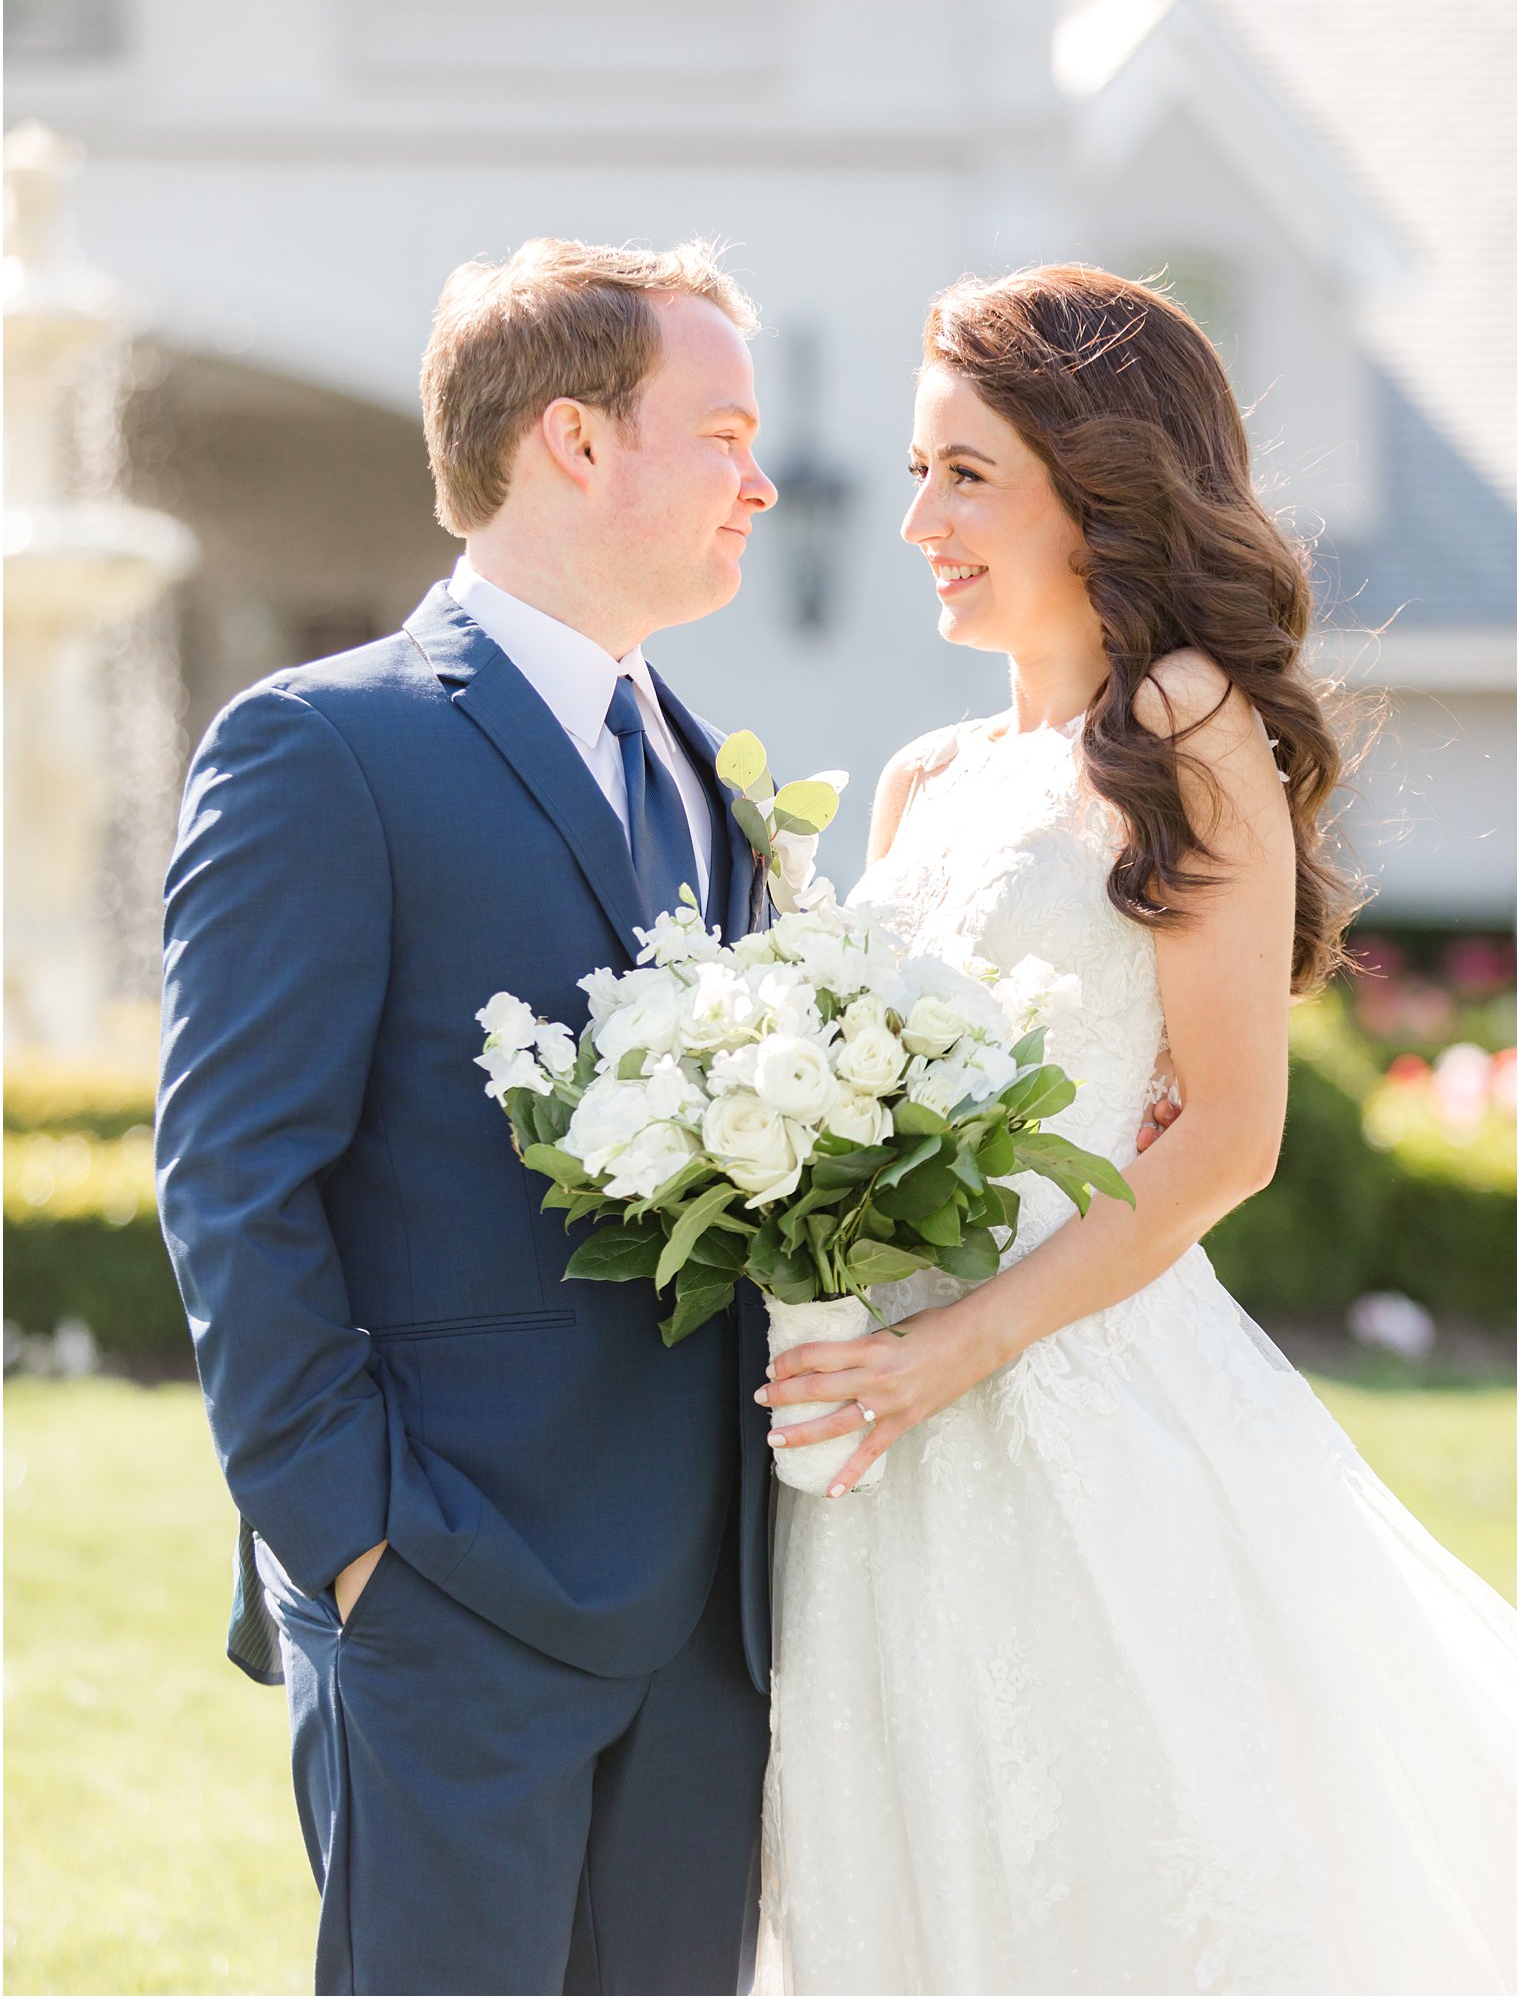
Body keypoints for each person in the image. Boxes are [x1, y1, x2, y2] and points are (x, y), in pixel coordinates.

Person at [756, 265, 1517, 1997]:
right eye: (914, 472)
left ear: (1092, 486)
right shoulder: (924, 781)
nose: (918, 521)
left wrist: (962, 1344)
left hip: (1076, 1396)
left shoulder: (1181, 724)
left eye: (965, 473)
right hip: (876, 1430)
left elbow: (1231, 1131)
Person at [156, 238, 782, 1998]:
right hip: (442, 1594)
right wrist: (355, 1546)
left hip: (705, 1626)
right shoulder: (319, 745)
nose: (763, 476)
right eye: (723, 428)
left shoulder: (706, 771)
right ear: (575, 443)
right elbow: (230, 1181)